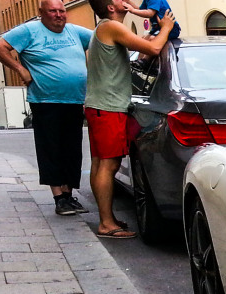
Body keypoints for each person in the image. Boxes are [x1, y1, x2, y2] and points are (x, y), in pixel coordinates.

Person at [0, 0, 93, 216]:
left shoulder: (75, 32)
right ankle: (59, 198)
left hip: (74, 100)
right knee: (51, 149)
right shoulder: (29, 30)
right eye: (53, 11)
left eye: (62, 11)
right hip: (45, 100)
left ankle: (69, 195)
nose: (59, 15)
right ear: (41, 13)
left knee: (72, 150)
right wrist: (19, 69)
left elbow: (102, 40)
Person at [83, 0, 175, 238]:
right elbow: (154, 50)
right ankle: (106, 224)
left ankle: (107, 219)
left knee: (100, 163)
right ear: (111, 7)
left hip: (101, 106)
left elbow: (143, 48)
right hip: (108, 107)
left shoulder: (107, 28)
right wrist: (165, 27)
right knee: (109, 164)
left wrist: (148, 35)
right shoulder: (111, 26)